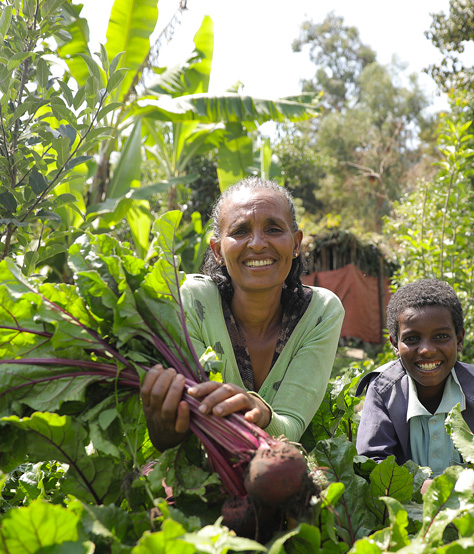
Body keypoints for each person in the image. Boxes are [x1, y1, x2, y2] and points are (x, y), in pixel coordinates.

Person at [141, 177, 345, 451]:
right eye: (240, 231)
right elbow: (189, 424)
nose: (258, 244)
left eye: (273, 229)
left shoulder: (320, 312)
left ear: (296, 244)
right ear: (217, 251)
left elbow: (291, 427)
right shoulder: (189, 301)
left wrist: (261, 413)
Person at [355, 278, 474, 496]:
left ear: (459, 339)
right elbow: (372, 464)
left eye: (441, 336)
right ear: (394, 344)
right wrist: (436, 489)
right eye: (412, 339)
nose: (427, 350)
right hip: (405, 516)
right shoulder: (383, 390)